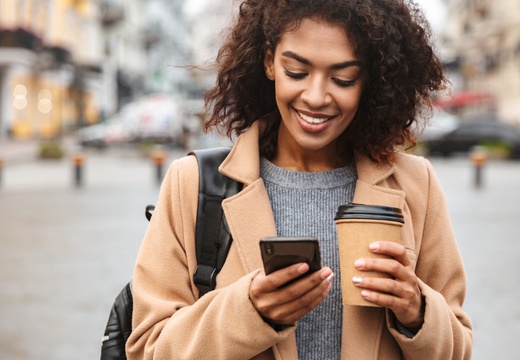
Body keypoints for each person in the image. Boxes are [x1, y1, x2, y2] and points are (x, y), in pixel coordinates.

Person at [126, 0, 473, 359]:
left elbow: (458, 349)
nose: (316, 97)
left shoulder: (417, 184)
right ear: (268, 62)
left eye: (343, 79)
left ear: (371, 80)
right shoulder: (193, 184)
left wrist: (416, 311)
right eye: (296, 72)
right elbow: (148, 350)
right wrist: (251, 310)